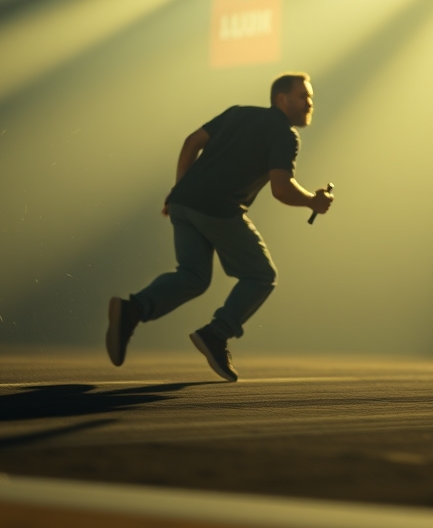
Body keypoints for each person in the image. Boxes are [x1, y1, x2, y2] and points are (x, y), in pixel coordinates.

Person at [105, 72, 333, 381]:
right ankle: (216, 333)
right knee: (261, 275)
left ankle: (133, 309)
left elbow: (192, 142)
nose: (310, 103)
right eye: (303, 96)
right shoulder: (284, 133)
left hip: (183, 203)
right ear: (282, 99)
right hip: (218, 208)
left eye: (310, 98)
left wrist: (179, 189)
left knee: (193, 276)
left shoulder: (239, 113)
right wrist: (312, 202)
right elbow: (281, 189)